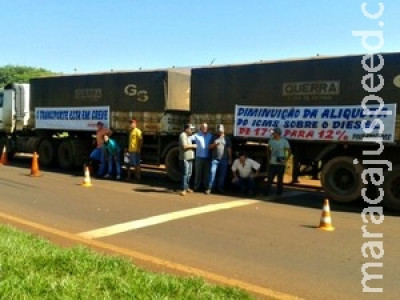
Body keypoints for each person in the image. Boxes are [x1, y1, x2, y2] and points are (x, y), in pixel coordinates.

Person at [205, 124, 232, 194]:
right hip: (215, 159)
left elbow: (229, 149)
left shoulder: (227, 138)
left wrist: (230, 158)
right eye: (218, 131)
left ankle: (220, 188)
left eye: (221, 131)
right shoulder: (214, 137)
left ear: (223, 130)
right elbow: (209, 147)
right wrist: (214, 144)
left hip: (224, 160)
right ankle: (210, 188)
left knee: (222, 175)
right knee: (212, 173)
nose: (219, 132)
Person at [265, 127, 291, 196]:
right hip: (272, 163)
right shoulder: (271, 140)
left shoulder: (284, 141)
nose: (272, 134)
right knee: (270, 178)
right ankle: (266, 192)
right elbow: (268, 149)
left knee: (280, 180)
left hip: (281, 164)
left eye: (273, 133)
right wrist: (268, 158)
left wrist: (285, 159)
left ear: (277, 133)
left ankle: (279, 193)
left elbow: (289, 151)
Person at [193, 123, 213, 192]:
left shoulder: (210, 136)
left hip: (207, 158)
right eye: (203, 127)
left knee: (206, 174)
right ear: (200, 128)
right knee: (198, 173)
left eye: (206, 127)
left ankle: (206, 187)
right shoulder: (196, 135)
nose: (205, 128)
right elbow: (189, 139)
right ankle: (196, 187)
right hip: (199, 157)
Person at [179, 124, 197, 196]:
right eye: (191, 129)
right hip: (185, 157)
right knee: (185, 174)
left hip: (190, 157)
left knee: (189, 173)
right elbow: (184, 146)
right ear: (186, 129)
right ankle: (183, 189)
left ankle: (187, 187)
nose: (192, 130)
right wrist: (193, 146)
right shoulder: (182, 135)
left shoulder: (189, 136)